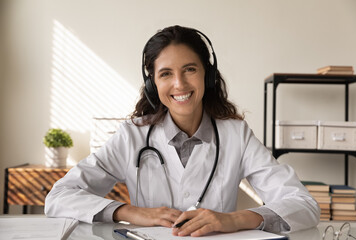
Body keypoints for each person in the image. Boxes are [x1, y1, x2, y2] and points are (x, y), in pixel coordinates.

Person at [45, 25, 320, 237]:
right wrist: (130, 212)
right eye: (166, 74)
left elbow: (304, 204)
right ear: (152, 83)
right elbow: (59, 197)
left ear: (207, 76)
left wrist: (233, 219)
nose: (179, 84)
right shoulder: (132, 136)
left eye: (190, 69)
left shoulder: (236, 134)